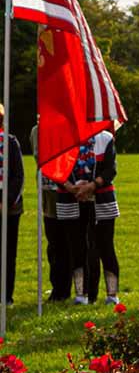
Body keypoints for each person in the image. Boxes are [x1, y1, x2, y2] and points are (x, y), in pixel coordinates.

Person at [59, 129, 120, 305]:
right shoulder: (62, 138)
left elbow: (111, 169)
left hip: (101, 198)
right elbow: (55, 167)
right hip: (70, 197)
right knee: (76, 247)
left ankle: (112, 294)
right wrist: (71, 187)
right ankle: (81, 295)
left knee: (105, 246)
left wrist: (92, 185)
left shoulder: (105, 138)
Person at [30, 123, 72, 301]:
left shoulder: (69, 125)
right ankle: (58, 288)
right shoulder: (37, 130)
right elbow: (40, 157)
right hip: (49, 194)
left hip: (72, 192)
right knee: (54, 244)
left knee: (71, 242)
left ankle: (74, 288)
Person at [2, 106, 21, 306]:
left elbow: (18, 176)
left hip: (10, 209)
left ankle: (6, 296)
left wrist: (5, 201)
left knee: (8, 253)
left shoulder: (10, 142)